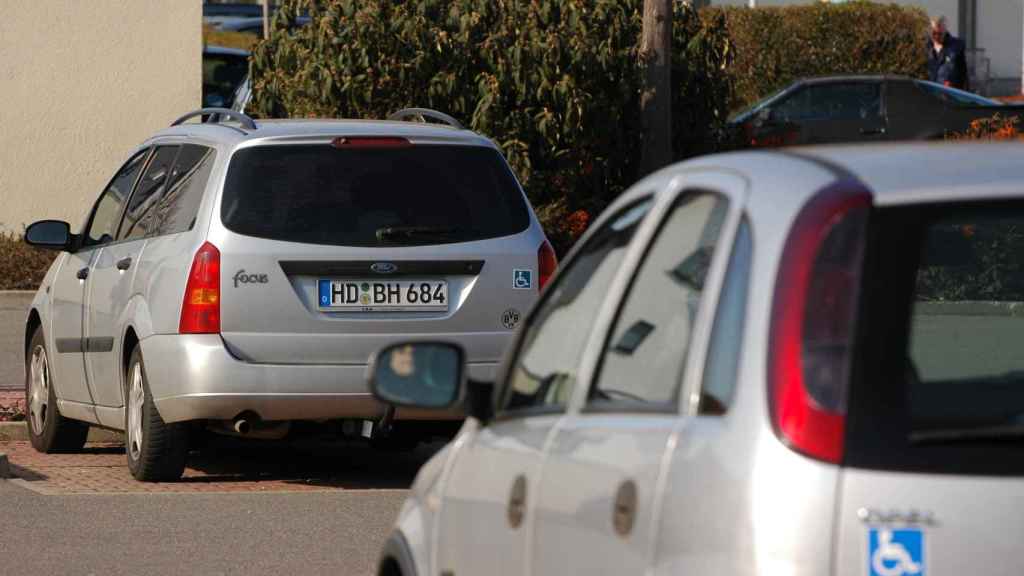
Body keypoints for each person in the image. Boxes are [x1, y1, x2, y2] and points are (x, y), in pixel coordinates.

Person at [927, 16, 969, 90]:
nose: (936, 36)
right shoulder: (925, 47)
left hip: (951, 94)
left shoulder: (957, 46)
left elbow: (963, 72)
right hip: (930, 93)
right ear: (930, 31)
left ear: (945, 31)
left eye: (940, 34)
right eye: (934, 33)